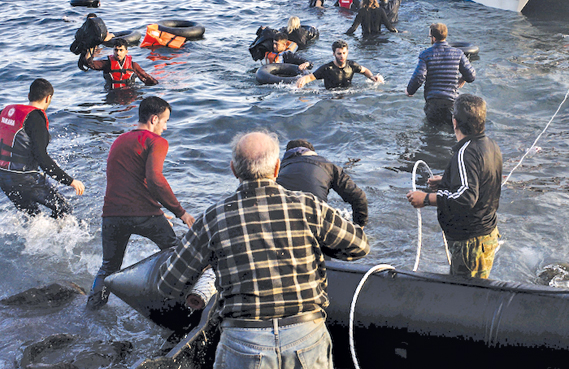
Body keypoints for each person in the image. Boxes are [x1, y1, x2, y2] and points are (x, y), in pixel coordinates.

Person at [158, 131, 369, 369]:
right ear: (277, 168)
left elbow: (168, 282)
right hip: (306, 335)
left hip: (242, 341)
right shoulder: (309, 206)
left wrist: (212, 263)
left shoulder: (212, 218)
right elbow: (360, 246)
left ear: (233, 170)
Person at [86, 96, 195, 310]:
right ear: (154, 119)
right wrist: (180, 212)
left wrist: (156, 210)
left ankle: (93, 311)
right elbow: (155, 179)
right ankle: (181, 306)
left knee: (109, 267)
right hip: (143, 214)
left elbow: (125, 181)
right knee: (176, 252)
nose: (165, 127)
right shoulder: (156, 141)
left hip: (111, 215)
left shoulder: (119, 140)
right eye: (165, 121)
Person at [406, 94, 501, 278]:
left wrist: (425, 199)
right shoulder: (490, 145)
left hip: (471, 244)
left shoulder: (466, 153)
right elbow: (483, 180)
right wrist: (447, 181)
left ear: (454, 122)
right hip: (485, 235)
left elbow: (466, 197)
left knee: (467, 296)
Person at [0, 79, 84, 218]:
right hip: (25, 178)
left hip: (4, 179)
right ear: (48, 98)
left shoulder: (5, 111)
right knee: (64, 209)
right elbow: (42, 158)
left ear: (29, 96)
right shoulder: (35, 118)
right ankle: (57, 239)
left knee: (34, 218)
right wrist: (70, 181)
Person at [277, 139, 368, 228]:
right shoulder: (329, 166)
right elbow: (359, 197)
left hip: (282, 221)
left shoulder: (277, 169)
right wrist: (359, 227)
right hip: (316, 221)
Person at [406, 23, 477, 124]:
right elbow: (471, 75)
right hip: (451, 102)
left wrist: (410, 91)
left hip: (433, 102)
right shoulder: (458, 53)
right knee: (452, 134)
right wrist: (463, 78)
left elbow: (419, 76)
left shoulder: (425, 54)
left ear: (434, 38)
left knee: (431, 135)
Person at [295, 40, 384, 89]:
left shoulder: (352, 65)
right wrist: (303, 79)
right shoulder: (327, 68)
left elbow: (364, 70)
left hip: (348, 96)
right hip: (331, 97)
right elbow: (311, 77)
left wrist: (371, 77)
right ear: (334, 54)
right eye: (339, 53)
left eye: (344, 53)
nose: (342, 56)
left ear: (347, 52)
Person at [81, 40, 158, 89]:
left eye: (121, 50)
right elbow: (89, 64)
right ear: (113, 50)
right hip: (113, 93)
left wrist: (159, 86)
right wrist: (91, 50)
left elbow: (147, 78)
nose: (118, 53)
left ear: (126, 51)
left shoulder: (133, 65)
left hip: (130, 93)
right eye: (116, 50)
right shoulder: (107, 64)